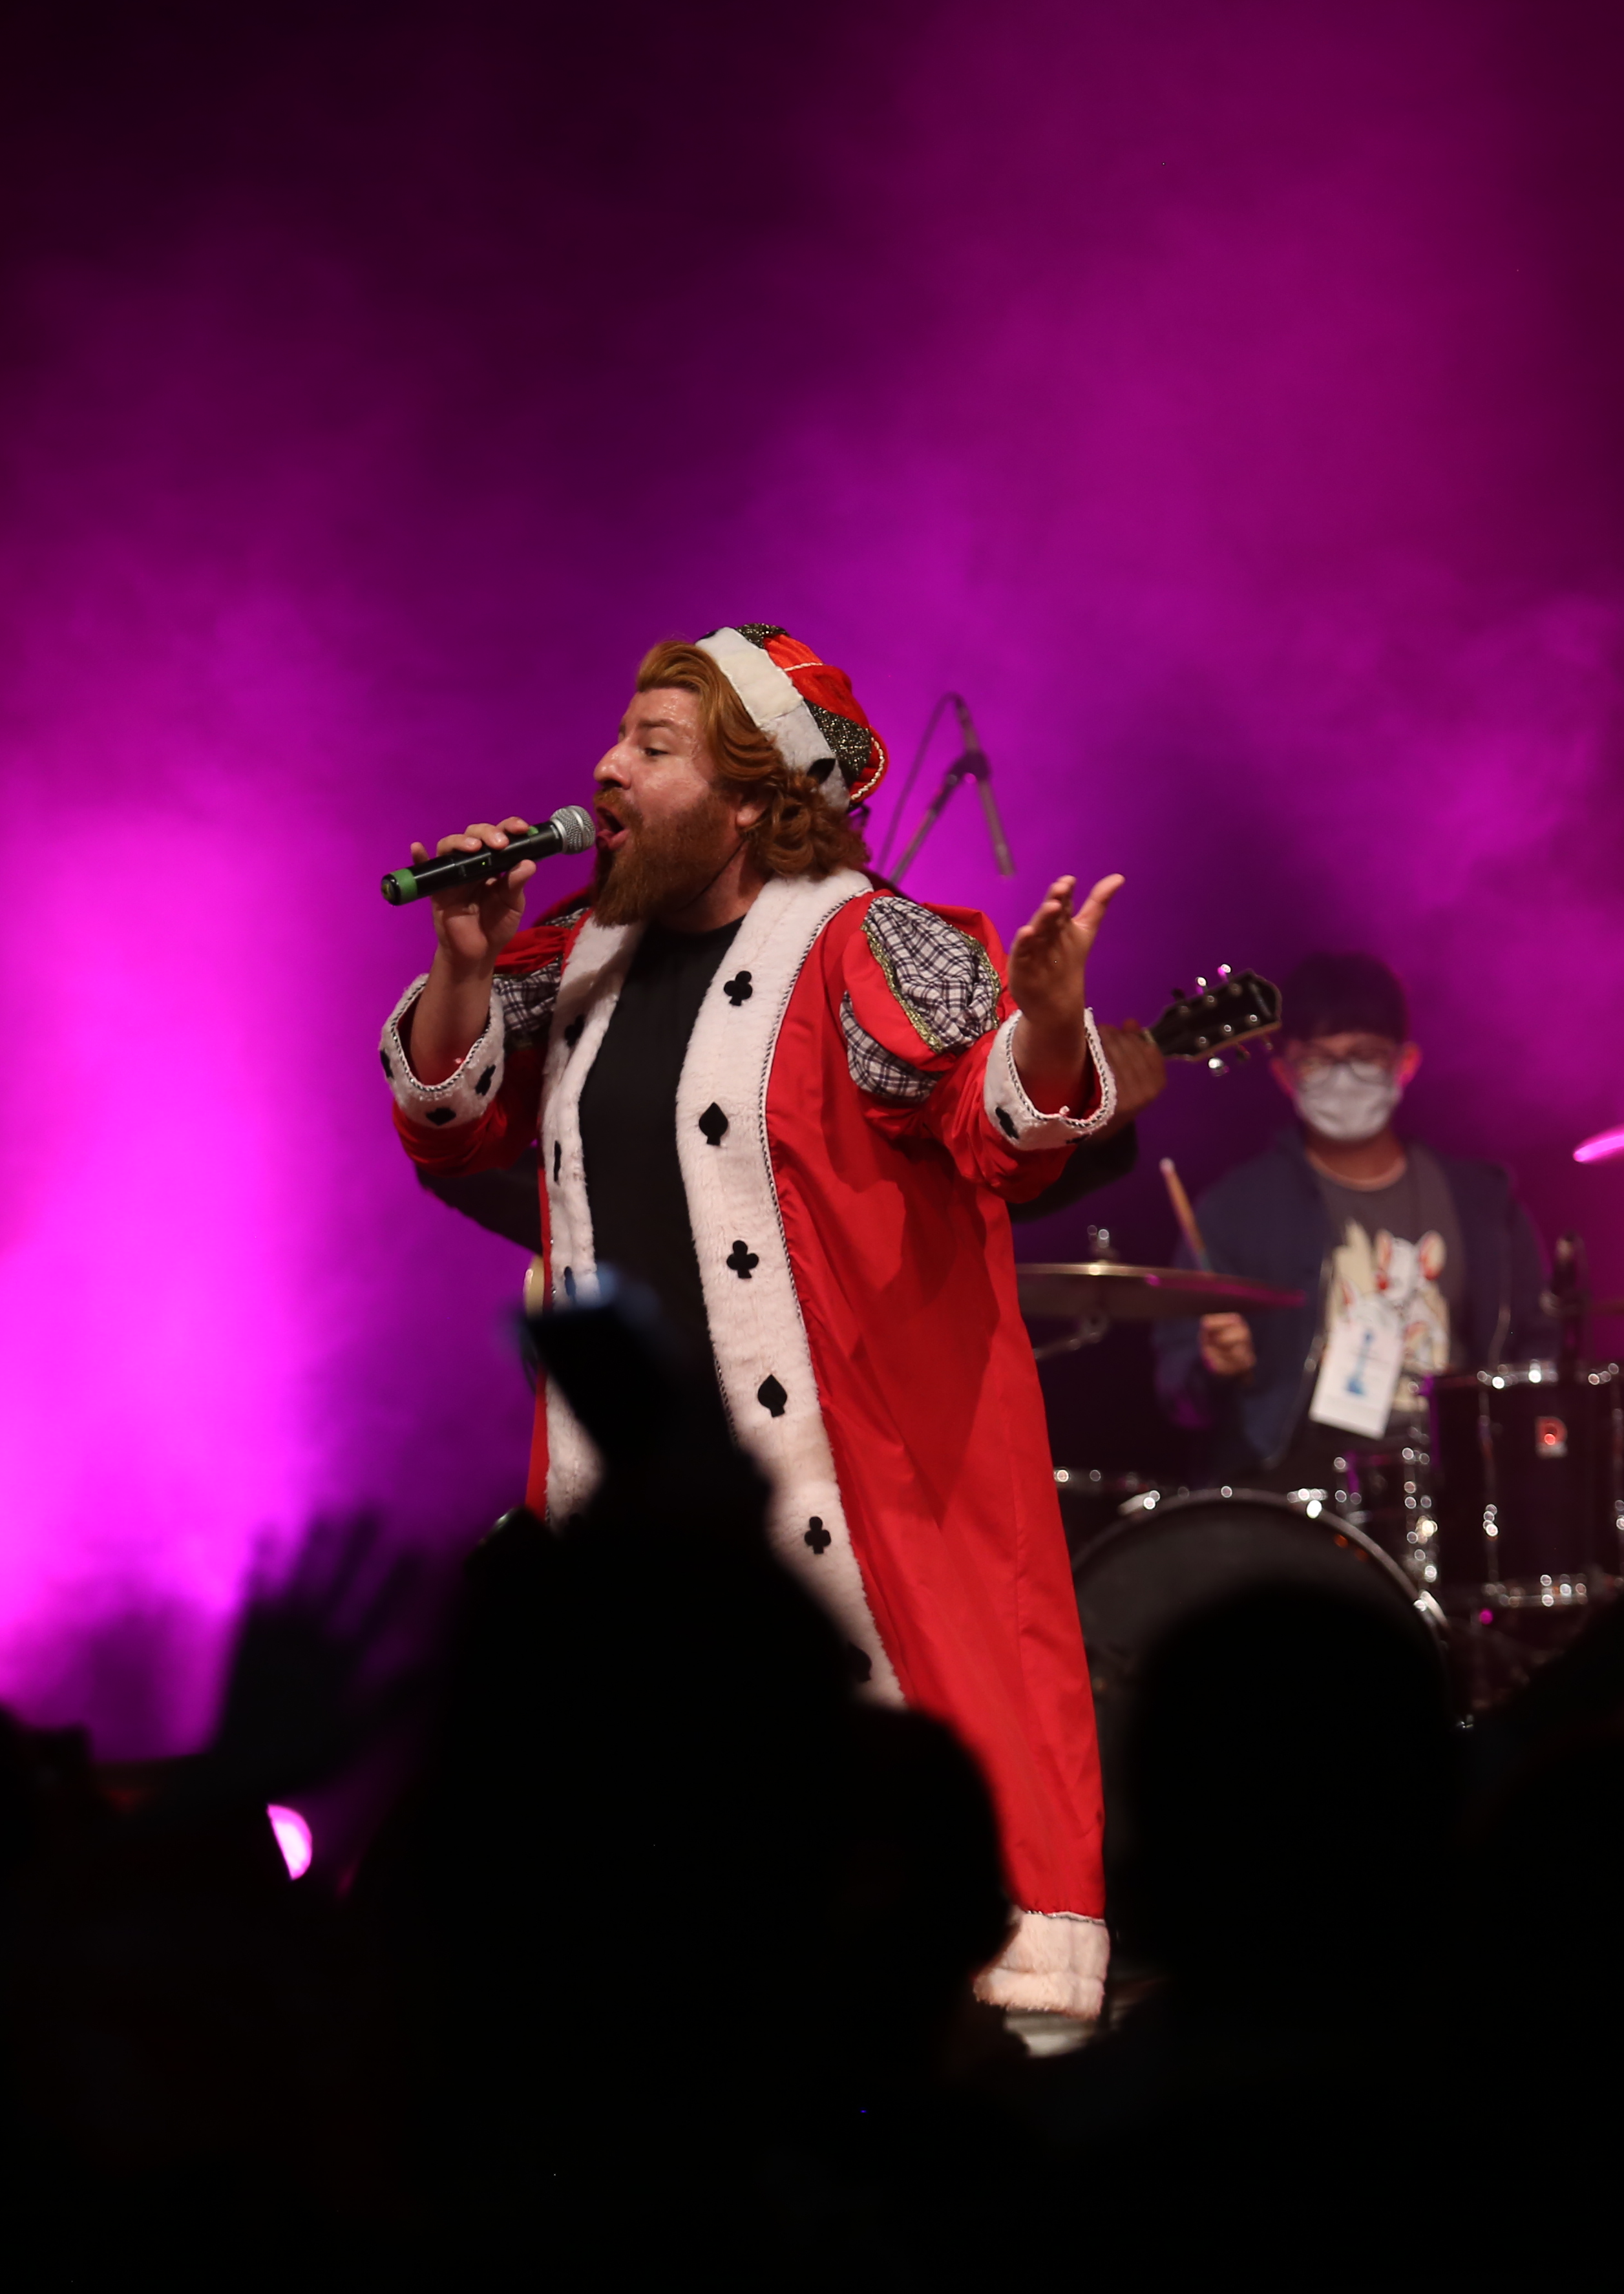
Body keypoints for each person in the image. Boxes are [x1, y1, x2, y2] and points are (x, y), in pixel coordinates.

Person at [379, 626, 1130, 2016]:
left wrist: (1042, 1026)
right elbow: (454, 1122)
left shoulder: (861, 943)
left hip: (857, 1506)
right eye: (619, 735)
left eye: (652, 747)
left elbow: (997, 1129)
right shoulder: (581, 960)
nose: (606, 767)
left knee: (879, 1932)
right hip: (636, 1530)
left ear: (750, 800)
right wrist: (465, 959)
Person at [1152, 951, 1555, 1480]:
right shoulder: (1235, 1211)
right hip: (1299, 1486)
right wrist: (1213, 1367)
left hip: (1460, 1480)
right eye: (1318, 1061)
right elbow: (1179, 1392)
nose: (1342, 1077)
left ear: (1405, 1063)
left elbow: (1540, 1353)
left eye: (1364, 1055)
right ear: (1285, 1074)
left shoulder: (1482, 1203)